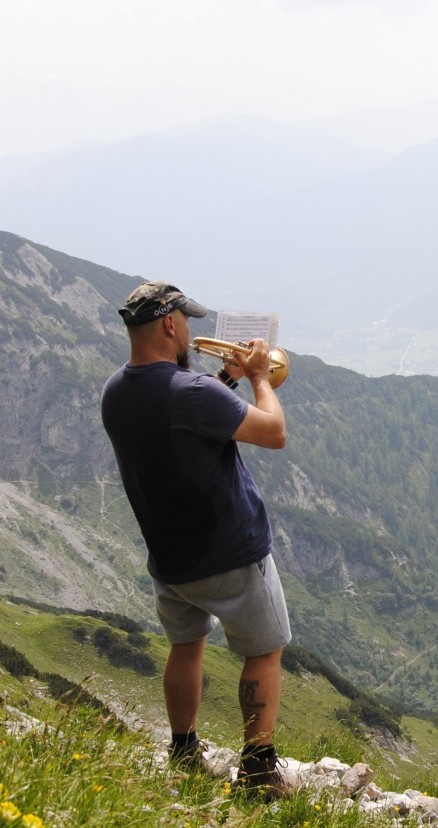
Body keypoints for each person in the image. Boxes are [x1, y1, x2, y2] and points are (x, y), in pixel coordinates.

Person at [100, 281, 291, 798]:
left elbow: (181, 418)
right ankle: (258, 769)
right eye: (187, 320)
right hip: (231, 549)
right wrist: (257, 379)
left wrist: (223, 379)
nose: (192, 330)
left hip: (170, 559)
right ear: (169, 323)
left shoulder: (116, 390)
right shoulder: (193, 391)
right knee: (265, 651)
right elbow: (274, 432)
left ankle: (183, 751)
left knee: (186, 647)